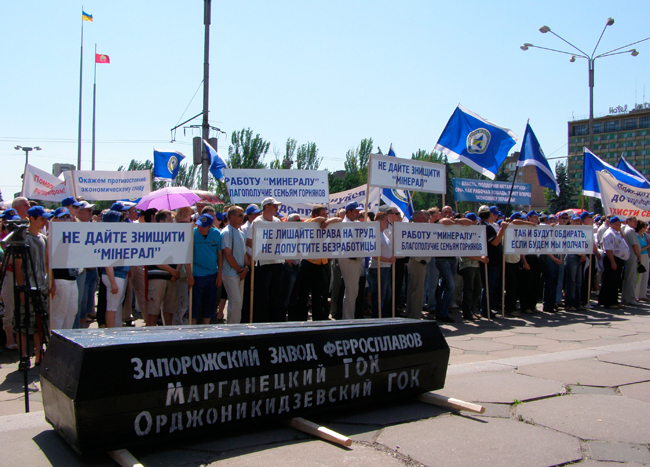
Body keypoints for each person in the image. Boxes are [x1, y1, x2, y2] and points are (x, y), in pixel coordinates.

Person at [250, 197, 285, 322]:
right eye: (274, 205)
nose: (277, 208)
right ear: (266, 207)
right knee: (263, 296)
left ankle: (274, 322)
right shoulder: (257, 222)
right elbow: (252, 241)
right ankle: (261, 322)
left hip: (277, 262)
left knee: (276, 295)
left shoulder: (277, 221)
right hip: (263, 263)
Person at [146, 210, 181, 326]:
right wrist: (173, 271)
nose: (172, 221)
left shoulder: (175, 235)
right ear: (161, 221)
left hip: (172, 278)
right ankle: (149, 337)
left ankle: (168, 335)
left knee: (170, 309)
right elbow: (157, 260)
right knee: (153, 310)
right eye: (170, 219)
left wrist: (176, 271)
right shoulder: (152, 235)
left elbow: (180, 254)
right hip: (157, 277)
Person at [187, 213, 222, 324]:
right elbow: (186, 256)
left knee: (210, 302)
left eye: (203, 226)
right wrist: (189, 276)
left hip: (212, 274)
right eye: (198, 225)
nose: (200, 228)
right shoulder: (192, 234)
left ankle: (206, 327)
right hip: (197, 274)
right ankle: (192, 327)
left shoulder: (216, 234)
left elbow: (220, 255)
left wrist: (219, 275)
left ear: (210, 227)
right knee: (195, 303)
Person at [49, 208, 79, 330]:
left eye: (67, 217)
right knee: (58, 314)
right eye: (62, 217)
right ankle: (55, 344)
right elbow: (48, 261)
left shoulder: (71, 233)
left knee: (72, 311)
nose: (65, 220)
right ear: (55, 219)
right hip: (60, 278)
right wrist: (52, 282)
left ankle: (67, 343)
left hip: (72, 277)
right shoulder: (51, 235)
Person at [99, 210, 129, 328]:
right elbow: (107, 261)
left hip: (117, 275)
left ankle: (112, 333)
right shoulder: (109, 237)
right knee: (111, 308)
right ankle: (111, 335)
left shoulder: (112, 236)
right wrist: (112, 282)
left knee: (113, 307)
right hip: (114, 275)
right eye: (120, 220)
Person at [221, 206, 248, 324]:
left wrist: (246, 268)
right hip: (230, 273)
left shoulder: (241, 233)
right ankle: (232, 329)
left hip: (240, 273)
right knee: (235, 302)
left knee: (239, 303)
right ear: (231, 217)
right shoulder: (227, 232)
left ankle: (236, 326)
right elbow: (228, 255)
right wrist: (240, 270)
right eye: (240, 215)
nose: (243, 218)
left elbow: (244, 254)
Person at [338, 202, 365, 320]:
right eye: (356, 211)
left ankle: (349, 317)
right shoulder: (343, 224)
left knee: (353, 292)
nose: (358, 213)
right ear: (349, 212)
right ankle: (348, 319)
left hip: (356, 261)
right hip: (349, 260)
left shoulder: (356, 223)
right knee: (351, 292)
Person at [406, 210, 432, 320]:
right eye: (422, 217)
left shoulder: (423, 228)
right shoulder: (412, 229)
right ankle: (415, 316)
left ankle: (412, 314)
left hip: (420, 263)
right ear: (416, 219)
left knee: (414, 290)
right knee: (417, 291)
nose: (425, 219)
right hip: (417, 262)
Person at [598, 217, 629, 309]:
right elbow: (609, 249)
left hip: (618, 259)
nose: (619, 225)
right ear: (612, 224)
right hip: (612, 259)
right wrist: (613, 262)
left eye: (619, 224)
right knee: (610, 281)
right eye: (617, 224)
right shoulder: (609, 234)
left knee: (615, 281)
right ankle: (608, 302)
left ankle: (614, 300)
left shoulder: (617, 233)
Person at [369, 212, 395, 318]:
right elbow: (374, 255)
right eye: (385, 220)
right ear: (379, 222)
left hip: (385, 268)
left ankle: (382, 314)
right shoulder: (376, 235)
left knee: (386, 294)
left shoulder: (383, 234)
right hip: (379, 268)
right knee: (380, 295)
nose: (388, 222)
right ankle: (377, 316)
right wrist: (389, 259)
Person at [621, 216, 641, 305]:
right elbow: (635, 245)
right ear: (628, 221)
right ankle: (630, 298)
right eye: (634, 221)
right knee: (631, 278)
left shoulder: (625, 229)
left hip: (627, 256)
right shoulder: (631, 230)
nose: (636, 223)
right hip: (632, 256)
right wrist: (639, 255)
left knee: (627, 278)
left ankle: (625, 297)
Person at [636, 220, 649, 301]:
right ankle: (636, 295)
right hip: (639, 256)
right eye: (644, 227)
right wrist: (648, 246)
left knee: (645, 275)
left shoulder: (644, 235)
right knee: (639, 276)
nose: (646, 228)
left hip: (646, 256)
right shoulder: (636, 236)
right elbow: (639, 249)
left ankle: (643, 294)